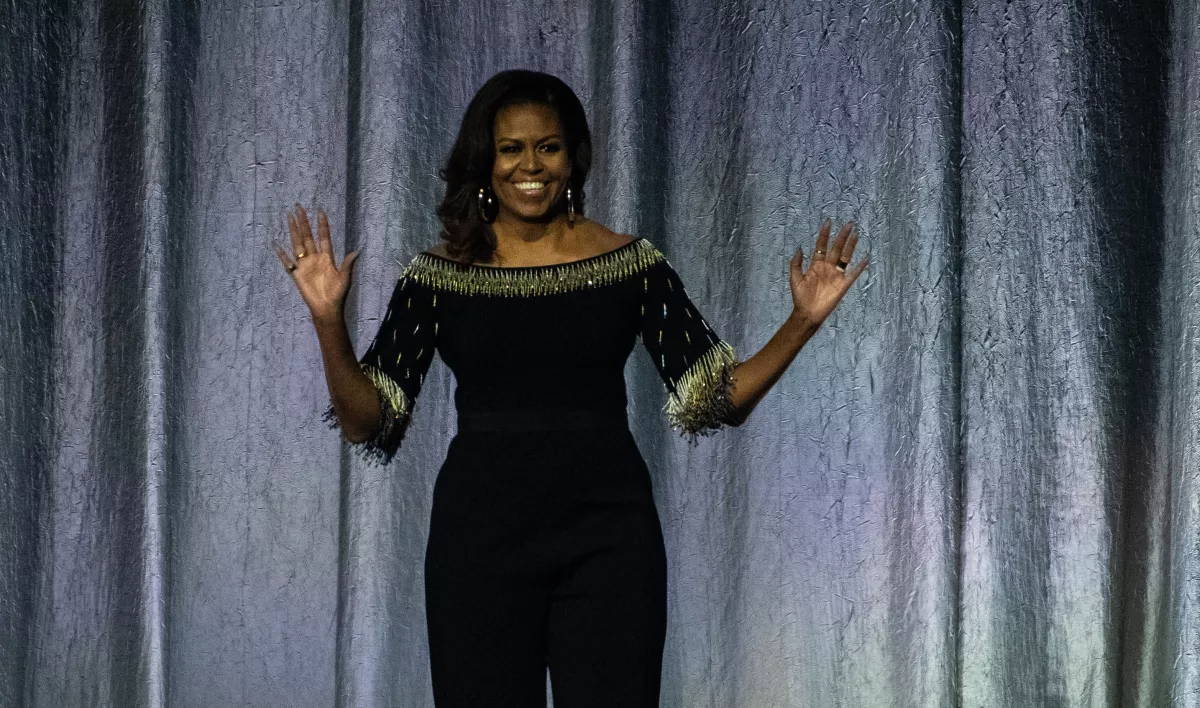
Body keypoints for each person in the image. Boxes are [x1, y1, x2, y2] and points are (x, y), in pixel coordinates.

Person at [278, 69, 867, 708]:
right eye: (510, 148)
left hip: (609, 541)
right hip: (478, 544)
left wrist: (802, 322)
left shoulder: (631, 263)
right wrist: (327, 321)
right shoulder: (437, 276)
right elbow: (369, 421)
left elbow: (721, 398)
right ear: (485, 160)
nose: (529, 165)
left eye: (548, 147)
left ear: (572, 158)